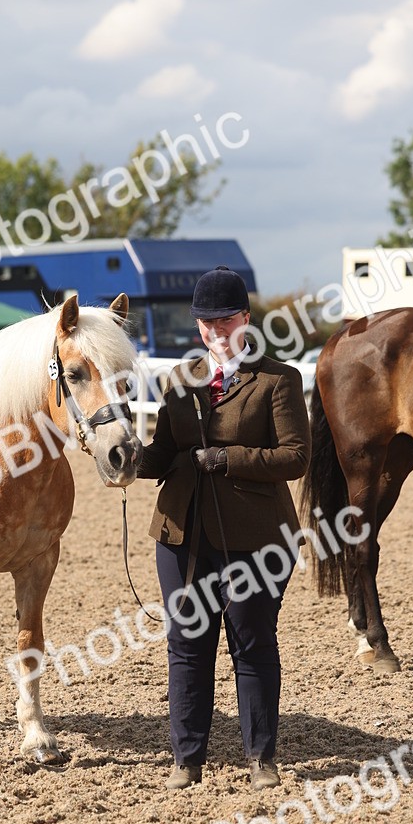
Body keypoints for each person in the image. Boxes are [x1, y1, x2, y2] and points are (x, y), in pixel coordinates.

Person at [138, 267, 310, 790]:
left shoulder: (278, 379)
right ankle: (186, 758)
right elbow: (165, 453)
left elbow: (296, 457)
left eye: (225, 319)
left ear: (245, 319)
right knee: (187, 643)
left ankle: (261, 758)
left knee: (252, 644)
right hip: (182, 533)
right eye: (206, 322)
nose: (215, 330)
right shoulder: (179, 380)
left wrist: (226, 458)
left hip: (255, 537)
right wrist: (128, 461)